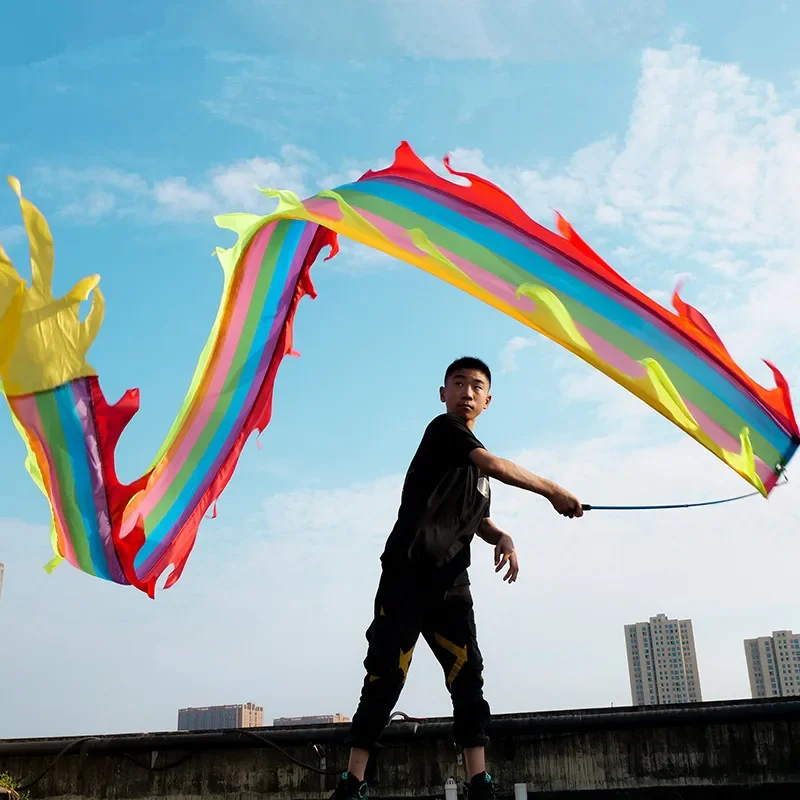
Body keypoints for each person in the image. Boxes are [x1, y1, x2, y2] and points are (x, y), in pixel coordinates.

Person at [330, 356, 583, 800]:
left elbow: (479, 519)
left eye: (476, 386)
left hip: (451, 586)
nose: (467, 392)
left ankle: (478, 781)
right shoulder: (444, 432)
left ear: (488, 400)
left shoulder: (476, 474)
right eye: (458, 383)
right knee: (385, 676)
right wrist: (554, 491)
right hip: (407, 578)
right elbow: (499, 465)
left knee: (468, 676)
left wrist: (503, 536)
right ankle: (353, 781)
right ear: (443, 393)